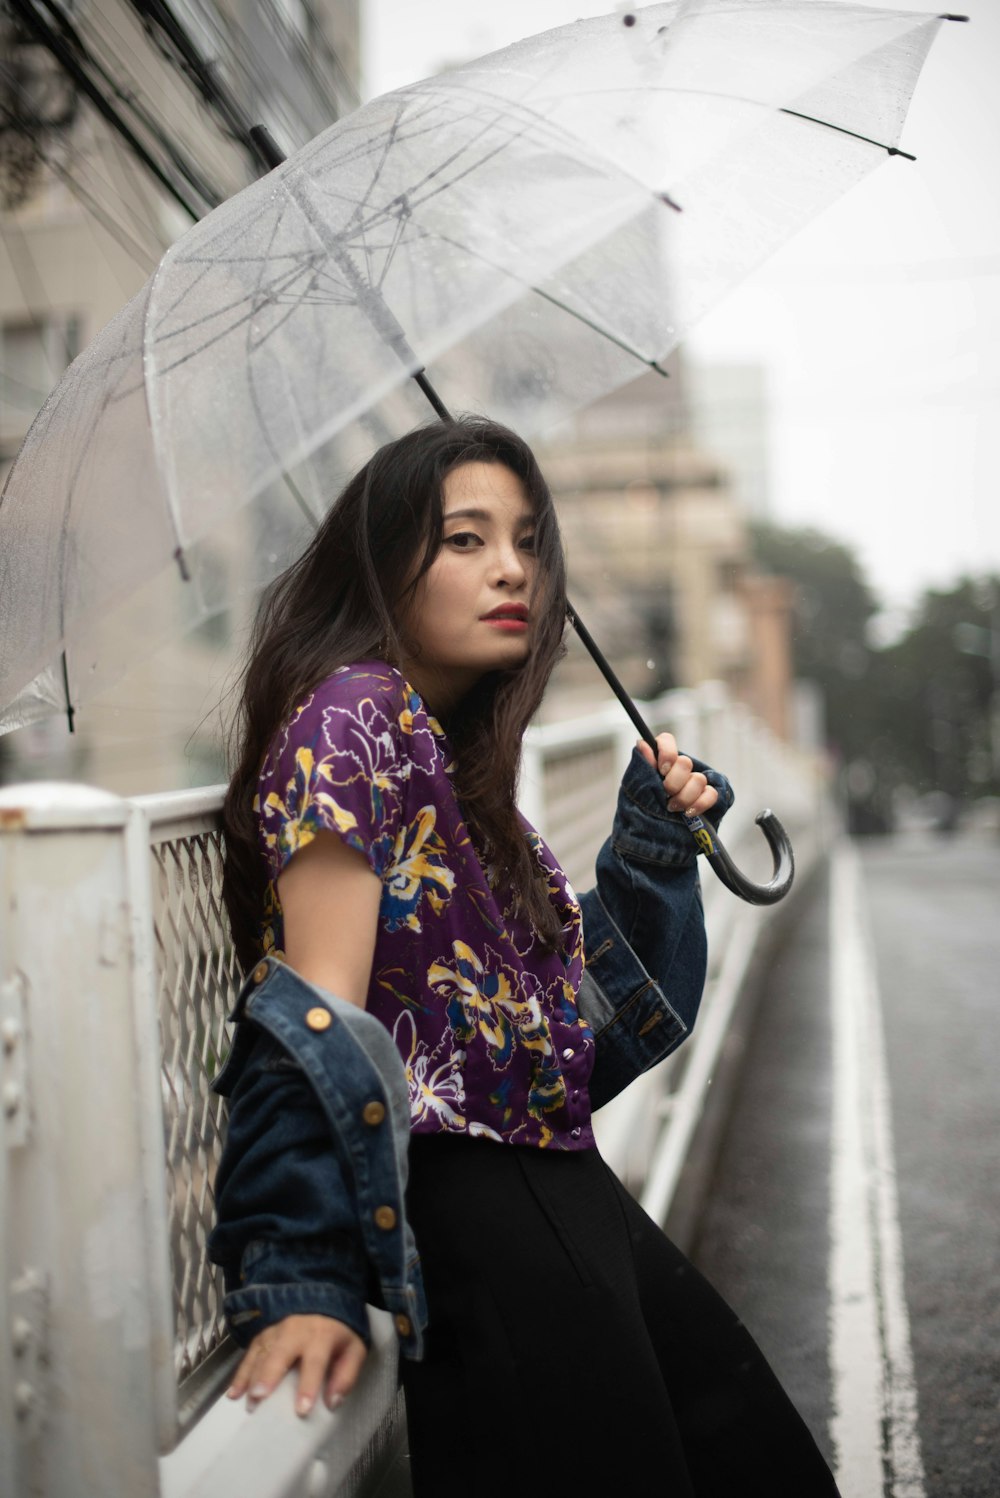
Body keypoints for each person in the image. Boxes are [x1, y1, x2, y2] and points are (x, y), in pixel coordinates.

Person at [208, 417, 838, 1496]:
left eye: (530, 541)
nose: (514, 569)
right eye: (465, 539)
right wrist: (301, 1274)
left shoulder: (443, 755)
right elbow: (310, 1019)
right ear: (380, 560)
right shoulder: (351, 716)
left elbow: (562, 1049)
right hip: (486, 1226)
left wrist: (646, 846)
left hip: (559, 1191)